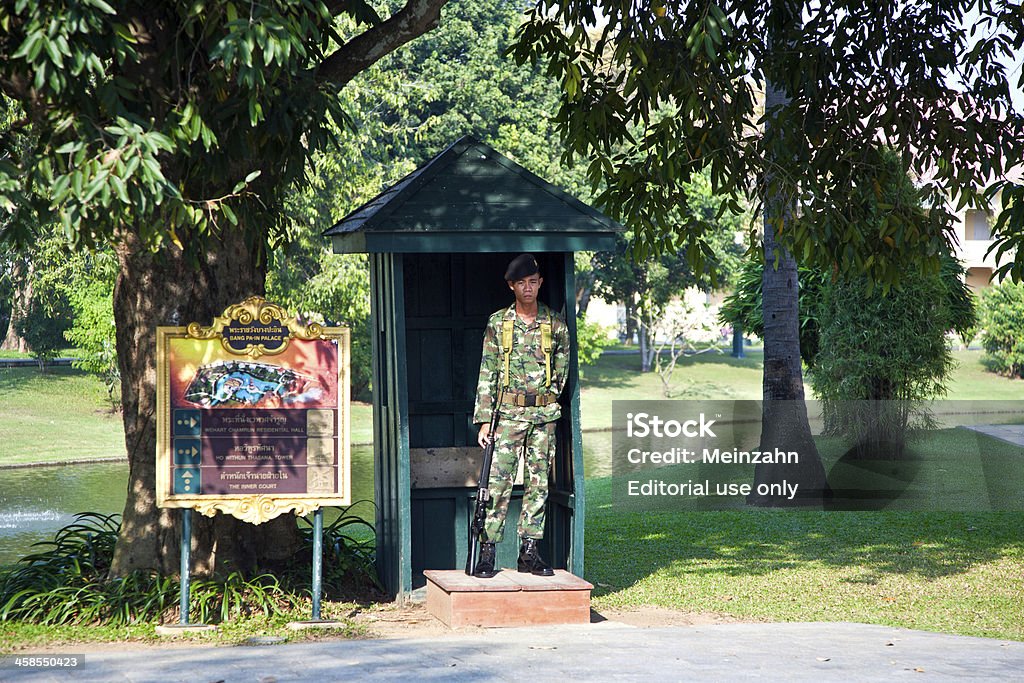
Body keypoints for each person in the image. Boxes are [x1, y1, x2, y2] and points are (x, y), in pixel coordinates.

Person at [472, 253, 569, 578]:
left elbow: (562, 369)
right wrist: (486, 418)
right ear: (511, 285)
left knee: (538, 483)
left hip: (543, 416)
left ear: (540, 283)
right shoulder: (499, 323)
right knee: (498, 483)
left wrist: (546, 399)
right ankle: (488, 549)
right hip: (508, 415)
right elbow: (487, 371)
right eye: (521, 283)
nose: (528, 288)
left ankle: (529, 551)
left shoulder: (555, 324)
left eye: (533, 282)